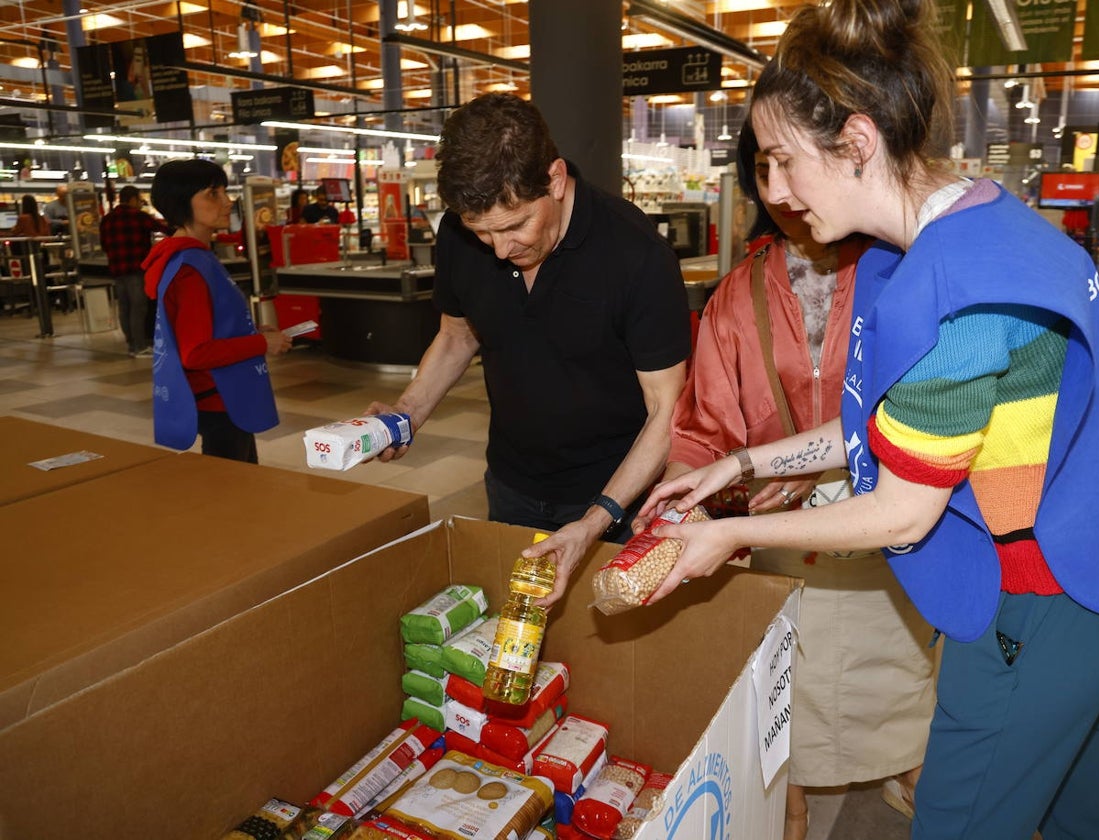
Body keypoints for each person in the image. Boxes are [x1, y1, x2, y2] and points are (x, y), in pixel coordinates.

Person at [638, 2, 1099, 838]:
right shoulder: (950, 232)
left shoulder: (974, 299)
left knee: (959, 814)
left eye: (781, 161)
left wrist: (728, 538)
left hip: (1049, 593)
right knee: (1071, 797)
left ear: (856, 142)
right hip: (1079, 565)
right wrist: (742, 467)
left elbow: (905, 506)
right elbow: (887, 431)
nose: (771, 191)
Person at [656, 122, 933, 839]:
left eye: (790, 163)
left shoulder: (899, 270)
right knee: (790, 680)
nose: (780, 188)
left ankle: (907, 767)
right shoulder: (739, 292)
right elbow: (700, 427)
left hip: (889, 528)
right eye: (763, 165)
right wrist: (689, 499)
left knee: (897, 670)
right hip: (780, 533)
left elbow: (921, 413)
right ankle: (792, 795)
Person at [367, 93, 691, 601]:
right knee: (520, 638)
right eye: (482, 233)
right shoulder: (457, 235)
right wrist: (405, 415)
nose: (500, 250)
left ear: (556, 180)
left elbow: (665, 410)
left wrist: (596, 519)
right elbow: (457, 334)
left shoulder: (636, 255)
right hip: (512, 482)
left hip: (616, 494)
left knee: (613, 642)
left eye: (515, 225)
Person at [143, 158, 292, 462]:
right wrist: (262, 343)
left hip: (223, 396)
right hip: (220, 400)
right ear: (181, 203)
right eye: (213, 194)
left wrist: (251, 333)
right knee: (231, 494)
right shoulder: (189, 270)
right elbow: (195, 352)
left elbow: (209, 326)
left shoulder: (193, 258)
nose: (227, 202)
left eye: (225, 191)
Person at [100, 185, 169, 357]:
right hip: (137, 268)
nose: (140, 203)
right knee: (139, 308)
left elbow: (103, 245)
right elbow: (164, 229)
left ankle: (131, 344)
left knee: (124, 307)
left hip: (117, 269)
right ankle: (140, 346)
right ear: (132, 199)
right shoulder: (139, 217)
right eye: (138, 200)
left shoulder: (107, 219)